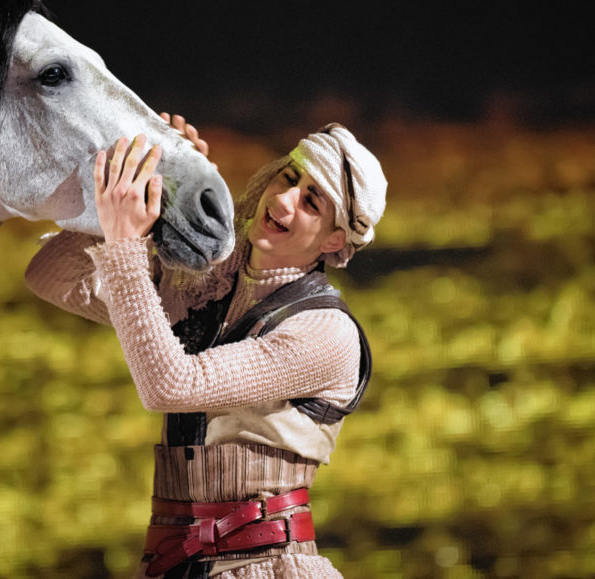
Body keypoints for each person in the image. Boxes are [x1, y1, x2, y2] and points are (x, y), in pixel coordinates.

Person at [26, 114, 387, 578]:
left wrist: (125, 242)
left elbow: (171, 387)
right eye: (289, 177)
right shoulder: (202, 286)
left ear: (335, 239)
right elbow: (53, 277)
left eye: (311, 202)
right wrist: (156, 183)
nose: (282, 199)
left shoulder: (325, 333)